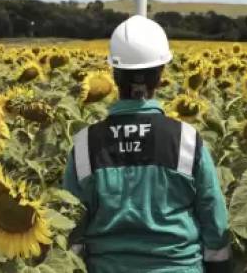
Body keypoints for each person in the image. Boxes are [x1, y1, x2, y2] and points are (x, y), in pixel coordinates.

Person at [63, 14, 232, 273]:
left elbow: (71, 223)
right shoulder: (186, 139)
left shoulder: (85, 144)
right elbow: (214, 219)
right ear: (160, 74)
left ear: (114, 74)